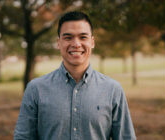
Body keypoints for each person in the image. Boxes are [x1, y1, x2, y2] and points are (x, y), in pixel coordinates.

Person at [14, 11, 136, 140]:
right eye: (68, 37)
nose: (76, 44)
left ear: (92, 42)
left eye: (83, 37)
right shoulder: (36, 89)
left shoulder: (112, 90)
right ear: (58, 42)